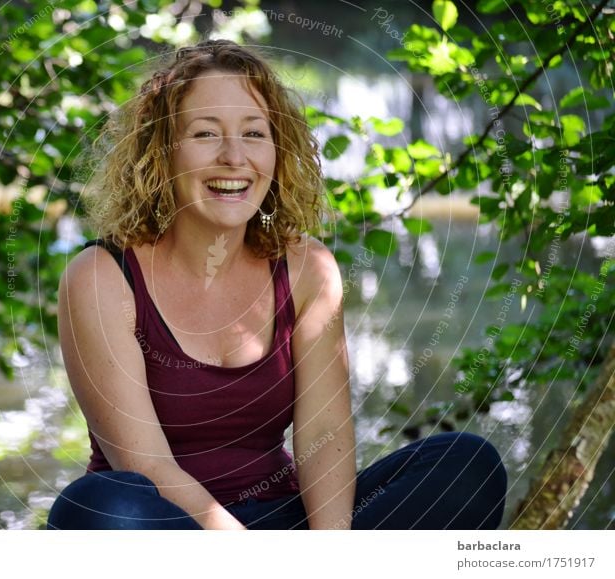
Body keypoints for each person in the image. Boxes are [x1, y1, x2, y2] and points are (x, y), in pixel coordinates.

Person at [47, 39, 507, 530]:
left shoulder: (308, 269)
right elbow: (144, 463)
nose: (234, 157)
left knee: (465, 465)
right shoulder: (101, 276)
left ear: (277, 150)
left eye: (254, 133)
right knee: (100, 508)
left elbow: (324, 432)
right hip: (168, 528)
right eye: (205, 134)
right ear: (162, 152)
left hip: (284, 524)